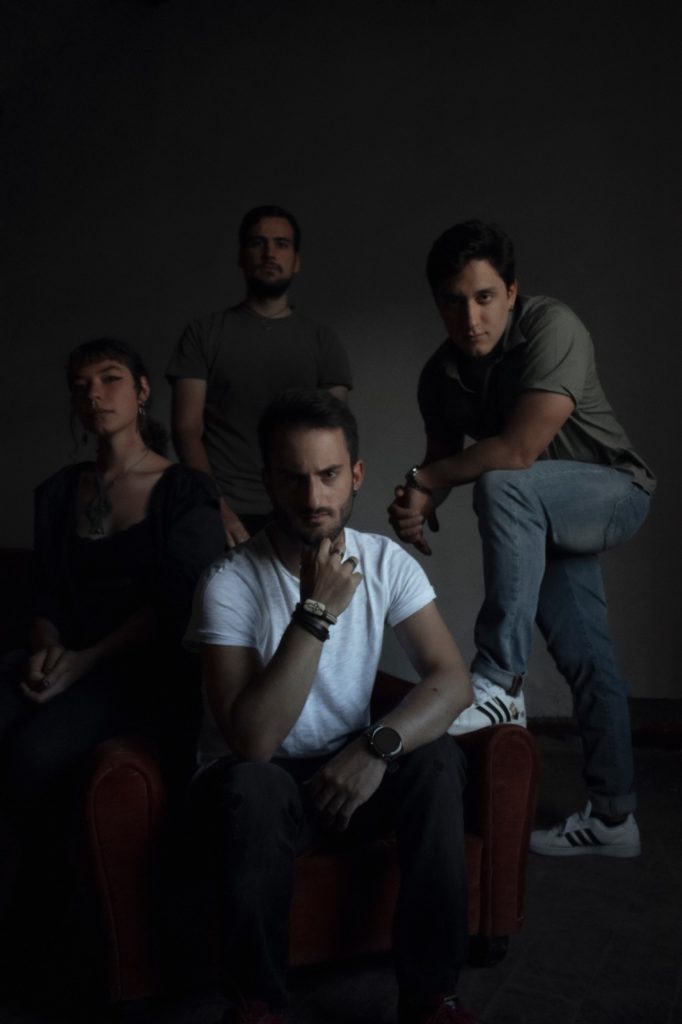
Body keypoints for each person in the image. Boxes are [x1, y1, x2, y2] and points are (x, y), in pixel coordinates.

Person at [177, 390, 476, 1024]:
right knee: (256, 785)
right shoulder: (228, 582)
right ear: (268, 481)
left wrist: (376, 748)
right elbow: (253, 741)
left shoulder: (385, 562)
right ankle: (256, 1004)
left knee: (438, 761)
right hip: (254, 788)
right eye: (294, 477)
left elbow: (452, 681)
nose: (313, 497)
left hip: (346, 769)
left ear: (356, 475)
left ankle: (431, 998)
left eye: (329, 474)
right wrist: (314, 614)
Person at [388, 219, 655, 858]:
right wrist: (418, 502)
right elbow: (441, 461)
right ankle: (614, 818)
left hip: (613, 493)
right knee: (588, 658)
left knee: (505, 482)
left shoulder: (552, 326)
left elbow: (518, 451)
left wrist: (428, 480)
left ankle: (501, 681)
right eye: (454, 302)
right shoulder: (439, 375)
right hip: (539, 518)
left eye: (485, 297)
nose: (471, 318)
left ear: (511, 292)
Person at [0, 339, 225, 1005]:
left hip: (140, 673)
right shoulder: (58, 491)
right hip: (61, 660)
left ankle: (35, 942)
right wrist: (46, 648)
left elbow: (179, 605)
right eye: (81, 385)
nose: (94, 394)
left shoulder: (184, 490)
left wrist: (83, 663)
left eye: (110, 379)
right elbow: (45, 593)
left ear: (143, 390)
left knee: (32, 755)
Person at [166, 204, 353, 546]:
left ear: (296, 260)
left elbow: (335, 439)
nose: (269, 253)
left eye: (281, 243)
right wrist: (216, 505)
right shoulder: (203, 334)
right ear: (241, 255)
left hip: (301, 508)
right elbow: (186, 430)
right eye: (258, 243)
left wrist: (325, 513)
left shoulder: (323, 342)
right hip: (223, 509)